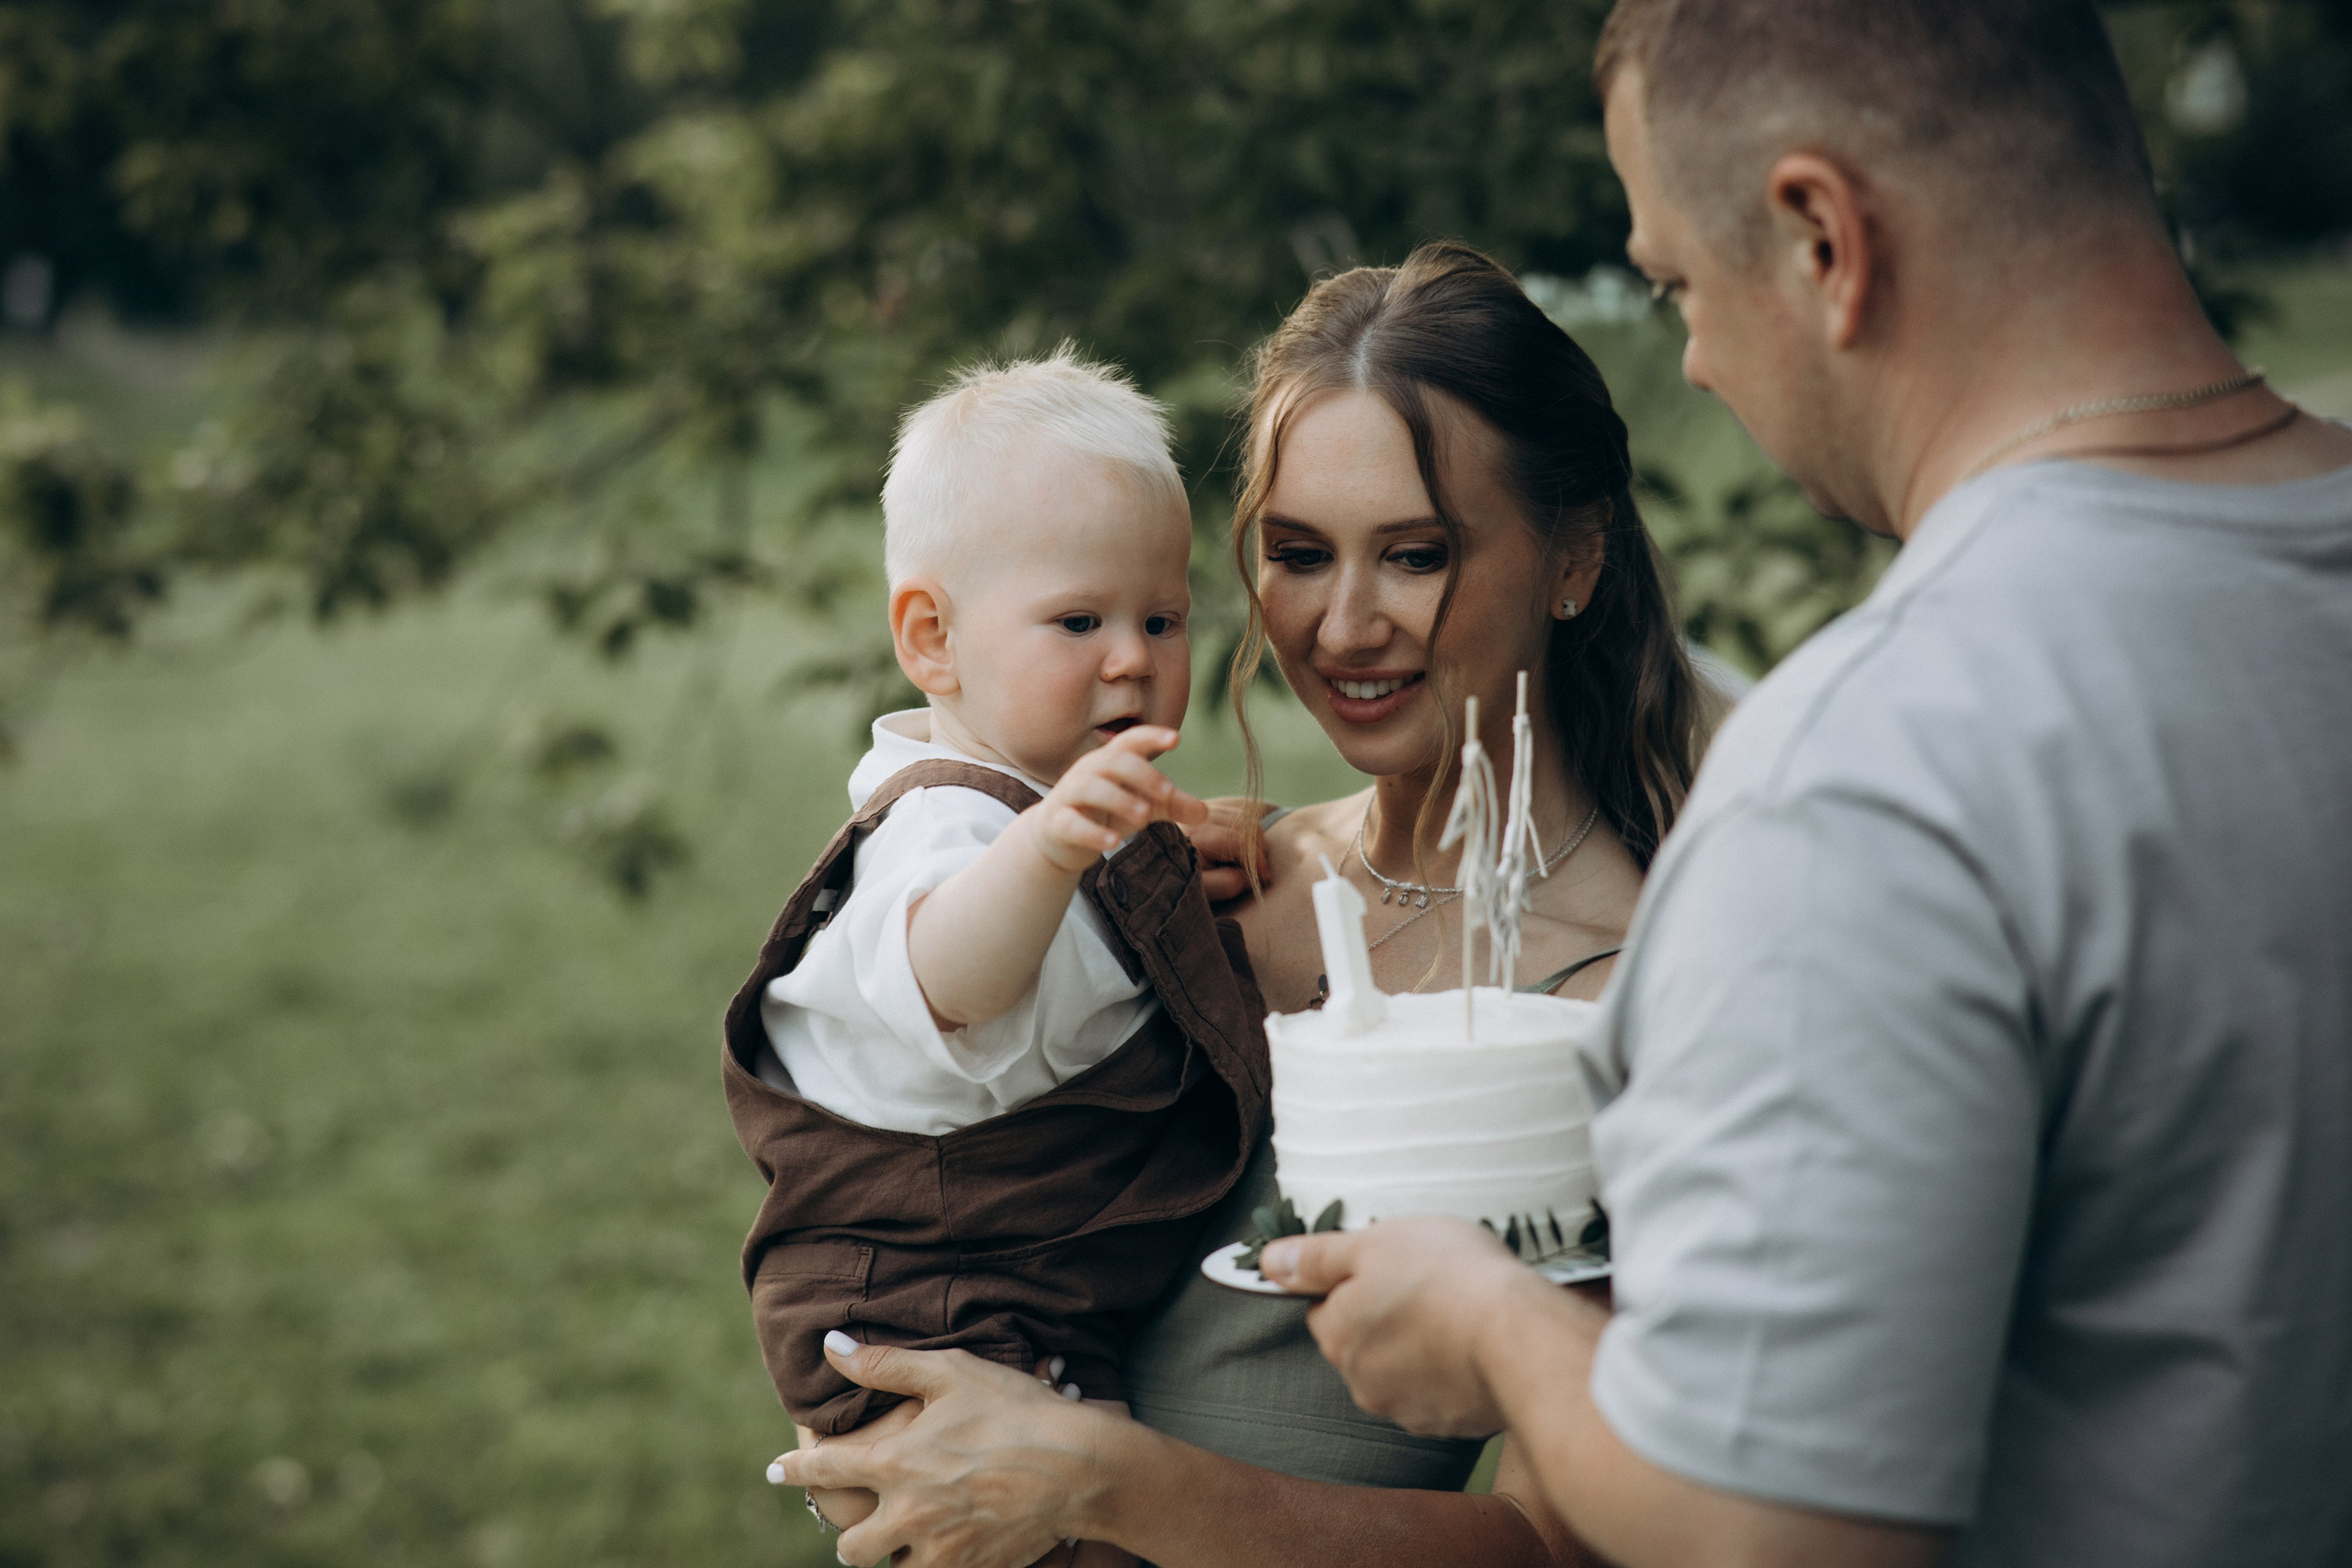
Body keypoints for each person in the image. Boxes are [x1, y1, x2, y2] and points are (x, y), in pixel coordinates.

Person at [1258, 5, 2352, 1568]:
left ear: (1824, 239)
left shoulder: (1871, 771)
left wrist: (1497, 1326)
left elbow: (1776, 1534)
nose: (1697, 360)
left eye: (1680, 286)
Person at [770, 244, 1715, 1568]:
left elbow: (1566, 1546)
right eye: (1298, 554)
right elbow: (902, 1138)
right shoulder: (1197, 881)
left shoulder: (1629, 1000)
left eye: (1417, 554)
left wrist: (1102, 1484)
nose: (1343, 625)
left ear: (1577, 556)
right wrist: (873, 1438)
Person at [721, 351, 1267, 1568]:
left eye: (1162, 619)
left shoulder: (1046, 810)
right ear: (933, 638)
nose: (1132, 659)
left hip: (1019, 1282)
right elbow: (953, 979)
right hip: (932, 1311)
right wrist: (1053, 849)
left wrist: (1155, 859)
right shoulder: (949, 829)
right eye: (1079, 622)